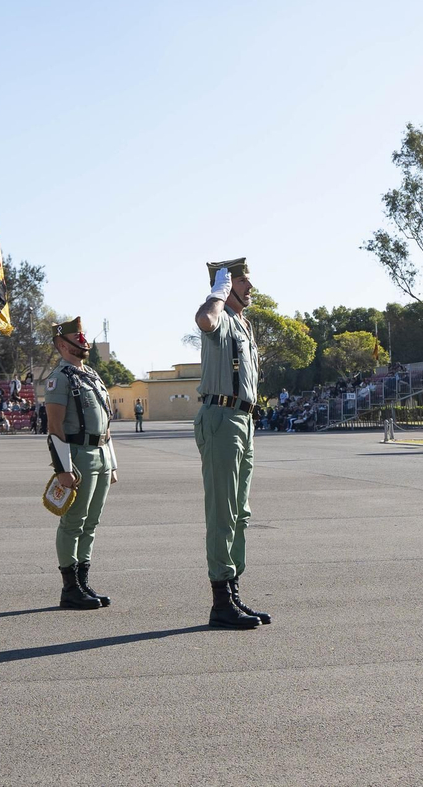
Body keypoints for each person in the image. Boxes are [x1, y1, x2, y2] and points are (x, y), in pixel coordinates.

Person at [192, 259, 268, 629]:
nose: (251, 288)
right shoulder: (219, 318)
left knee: (241, 513)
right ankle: (220, 601)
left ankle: (234, 591)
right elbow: (204, 321)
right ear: (227, 284)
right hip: (221, 419)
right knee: (223, 512)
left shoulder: (242, 324)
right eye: (243, 282)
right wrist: (217, 291)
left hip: (243, 419)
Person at [44, 316, 117, 610]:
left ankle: (83, 581)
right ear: (63, 344)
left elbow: (105, 424)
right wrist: (63, 470)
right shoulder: (59, 378)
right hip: (78, 458)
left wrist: (111, 462)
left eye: (83, 336)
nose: (84, 341)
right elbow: (54, 426)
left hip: (99, 454)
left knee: (91, 522)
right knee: (73, 522)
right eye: (77, 337)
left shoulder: (93, 376)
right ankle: (70, 587)